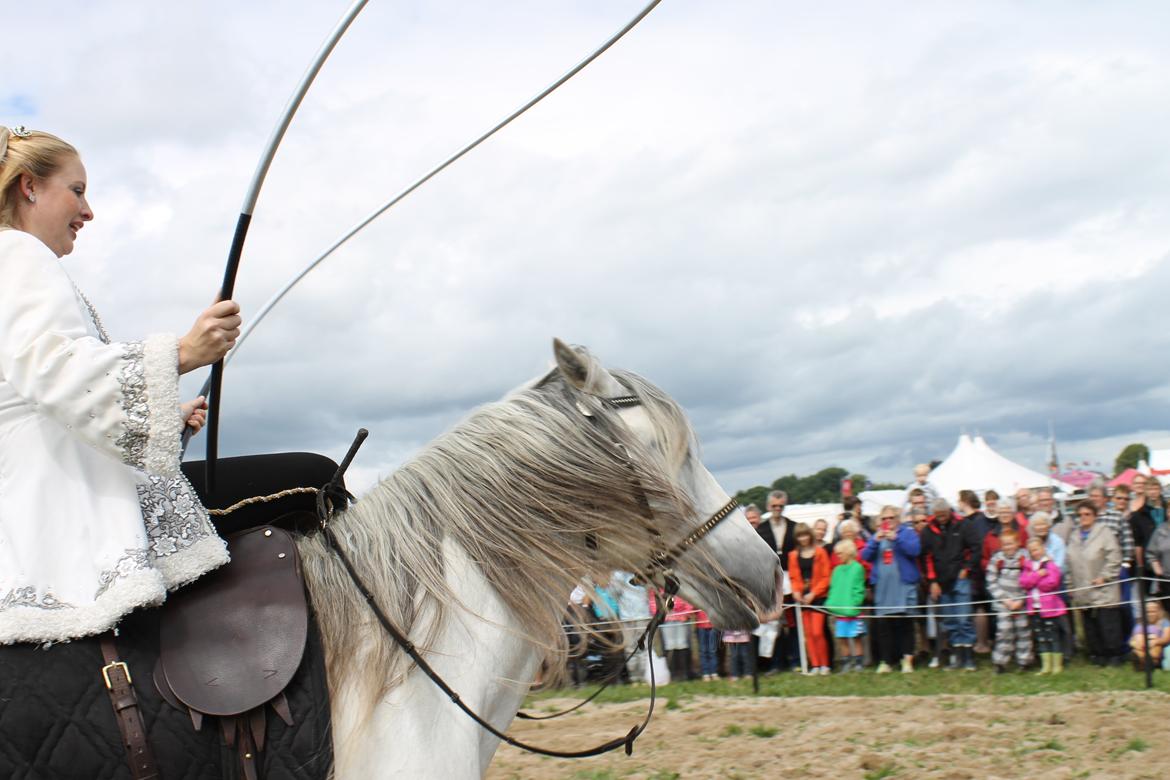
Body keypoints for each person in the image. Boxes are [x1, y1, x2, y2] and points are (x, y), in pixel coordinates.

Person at [0, 127, 242, 645]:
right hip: (54, 496)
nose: (88, 212)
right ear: (29, 187)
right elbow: (54, 369)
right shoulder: (19, 253)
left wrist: (166, 417)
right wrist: (183, 353)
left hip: (39, 477)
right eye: (78, 190)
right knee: (313, 479)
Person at [920, 498, 982, 670]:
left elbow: (976, 547)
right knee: (950, 620)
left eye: (944, 515)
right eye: (938, 515)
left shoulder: (963, 525)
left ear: (950, 511)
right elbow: (926, 558)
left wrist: (967, 568)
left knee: (964, 619)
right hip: (941, 582)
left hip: (961, 579)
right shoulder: (928, 531)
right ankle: (957, 657)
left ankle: (969, 658)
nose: (941, 518)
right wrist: (932, 581)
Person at [862, 506, 920, 673]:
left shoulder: (907, 532)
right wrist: (874, 541)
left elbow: (915, 550)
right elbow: (865, 556)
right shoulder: (877, 536)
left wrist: (897, 539)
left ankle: (907, 660)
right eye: (884, 519)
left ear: (898, 518)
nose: (888, 521)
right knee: (884, 626)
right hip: (883, 589)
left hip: (903, 586)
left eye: (891, 518)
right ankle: (886, 661)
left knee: (905, 624)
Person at [1066, 501, 1124, 666]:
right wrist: (1070, 586)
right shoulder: (1074, 535)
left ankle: (1114, 655)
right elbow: (1069, 562)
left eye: (1087, 514)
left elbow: (1114, 558)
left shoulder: (1105, 533)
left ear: (1095, 516)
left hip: (1103, 588)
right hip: (1083, 589)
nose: (1083, 518)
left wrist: (1104, 577)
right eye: (1080, 515)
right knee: (1090, 626)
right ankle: (1097, 655)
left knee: (1108, 625)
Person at [985, 530, 1033, 673]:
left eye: (1011, 543)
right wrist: (1005, 600)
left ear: (1018, 543)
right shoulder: (997, 559)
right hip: (1003, 603)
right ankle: (1001, 662)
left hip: (1021, 602)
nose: (1008, 547)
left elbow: (1031, 580)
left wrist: (1021, 599)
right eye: (1005, 544)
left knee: (1023, 631)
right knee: (1004, 632)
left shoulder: (1025, 557)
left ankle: (1024, 661)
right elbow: (991, 581)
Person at [788, 523, 831, 675]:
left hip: (818, 597)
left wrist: (814, 593)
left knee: (818, 632)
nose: (803, 538)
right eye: (800, 535)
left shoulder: (820, 552)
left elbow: (826, 577)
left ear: (810, 535)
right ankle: (815, 665)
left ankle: (825, 664)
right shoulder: (793, 555)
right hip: (802, 599)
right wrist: (796, 592)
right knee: (809, 634)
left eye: (805, 534)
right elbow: (793, 577)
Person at [1019, 537, 1066, 675]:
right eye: (1032, 550)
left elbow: (1051, 583)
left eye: (1037, 549)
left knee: (1053, 635)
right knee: (1041, 636)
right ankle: (1046, 666)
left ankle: (1057, 665)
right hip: (1034, 608)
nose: (1035, 552)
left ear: (1043, 548)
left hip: (1051, 608)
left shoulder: (1050, 565)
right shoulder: (1027, 566)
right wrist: (1038, 575)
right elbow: (1024, 583)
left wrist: (1033, 580)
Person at [826, 539, 866, 672]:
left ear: (848, 552)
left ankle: (859, 662)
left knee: (856, 637)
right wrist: (832, 603)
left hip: (854, 611)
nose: (838, 556)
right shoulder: (836, 570)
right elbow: (833, 588)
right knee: (842, 637)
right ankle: (846, 663)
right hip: (840, 612)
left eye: (840, 554)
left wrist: (855, 603)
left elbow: (859, 588)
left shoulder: (858, 568)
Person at [1129, 601, 1170, 672]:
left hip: (1159, 649)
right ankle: (1142, 662)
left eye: (1153, 611)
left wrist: (1155, 641)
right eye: (1148, 612)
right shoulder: (1140, 624)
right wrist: (1135, 644)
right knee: (1139, 637)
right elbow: (1131, 641)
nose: (1150, 614)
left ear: (1159, 611)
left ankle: (1147, 662)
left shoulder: (1164, 622)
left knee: (1153, 637)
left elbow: (1166, 639)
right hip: (1143, 647)